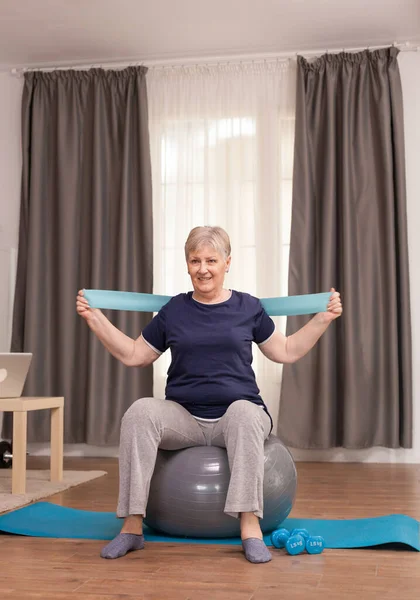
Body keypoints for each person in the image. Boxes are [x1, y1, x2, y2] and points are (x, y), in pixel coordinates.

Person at [76, 226, 342, 563]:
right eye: (195, 260)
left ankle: (250, 527)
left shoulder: (249, 307)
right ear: (187, 264)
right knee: (140, 411)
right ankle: (131, 528)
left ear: (227, 263)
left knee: (245, 412)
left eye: (211, 260)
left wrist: (323, 319)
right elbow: (134, 354)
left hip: (237, 415)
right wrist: (94, 319)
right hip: (184, 418)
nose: (203, 268)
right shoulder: (174, 311)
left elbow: (286, 351)